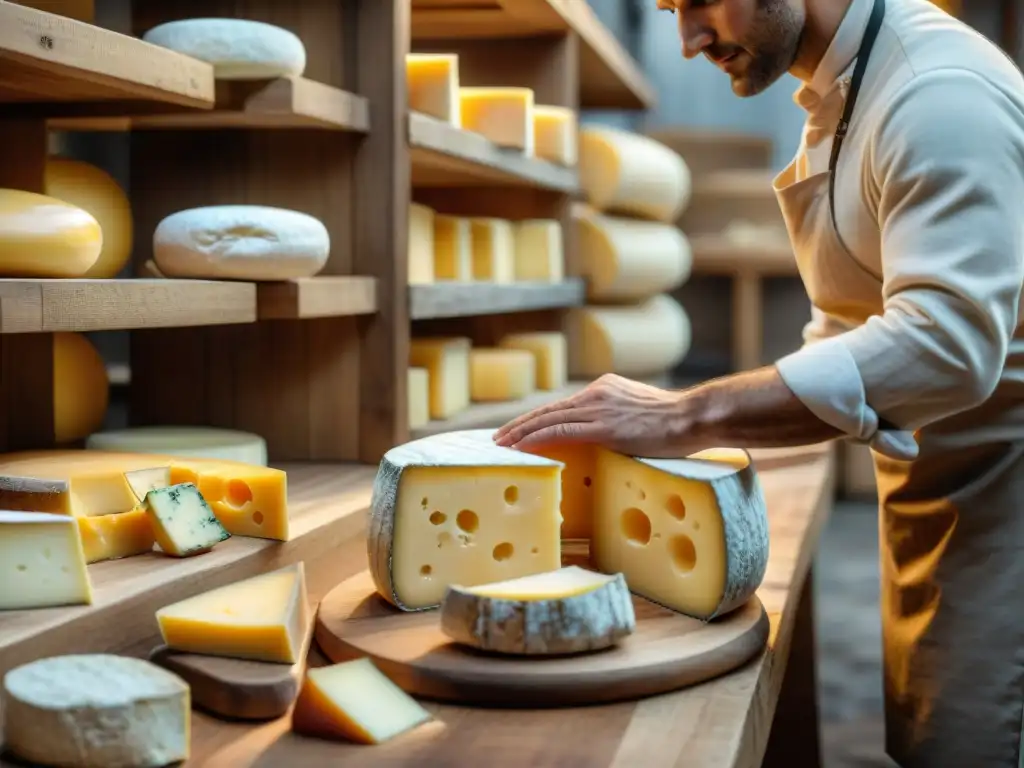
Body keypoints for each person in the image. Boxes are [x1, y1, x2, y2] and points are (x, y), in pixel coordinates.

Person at [494, 0, 1024, 766]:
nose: (688, 40)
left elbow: (947, 344)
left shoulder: (937, 95)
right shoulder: (847, 92)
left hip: (1006, 510)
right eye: (673, 9)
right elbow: (849, 332)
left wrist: (685, 416)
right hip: (942, 498)